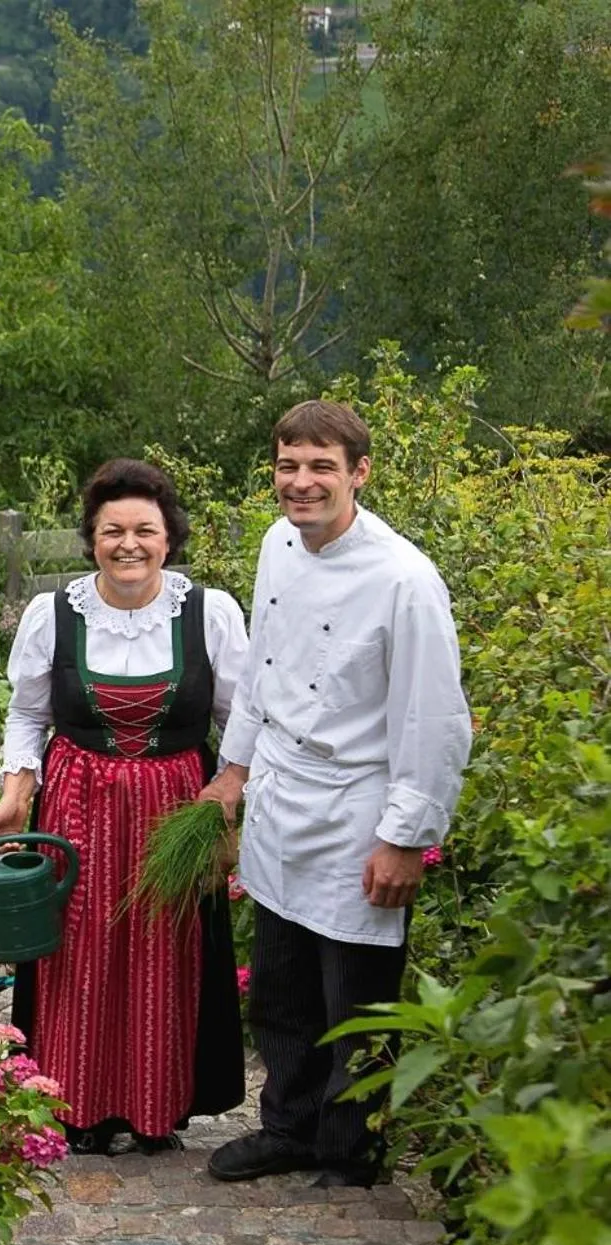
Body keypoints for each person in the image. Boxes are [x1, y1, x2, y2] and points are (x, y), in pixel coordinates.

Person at [201, 401, 471, 1190]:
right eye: (288, 465)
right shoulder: (275, 545)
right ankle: (285, 1125)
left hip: (359, 804)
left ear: (359, 472)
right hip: (283, 790)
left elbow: (434, 719)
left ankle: (352, 1151)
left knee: (354, 995)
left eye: (321, 466)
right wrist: (234, 768)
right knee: (280, 986)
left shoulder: (404, 579)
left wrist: (404, 836)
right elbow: (260, 670)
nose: (301, 482)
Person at [0, 458, 249, 1155]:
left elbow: (244, 717)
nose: (127, 543)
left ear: (168, 538)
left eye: (143, 530)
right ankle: (77, 1107)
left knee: (168, 950)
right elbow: (25, 715)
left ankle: (156, 1107)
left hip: (174, 807)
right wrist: (16, 789)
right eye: (111, 530)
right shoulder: (53, 614)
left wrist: (228, 795)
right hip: (77, 805)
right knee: (79, 949)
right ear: (91, 538)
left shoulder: (208, 613)